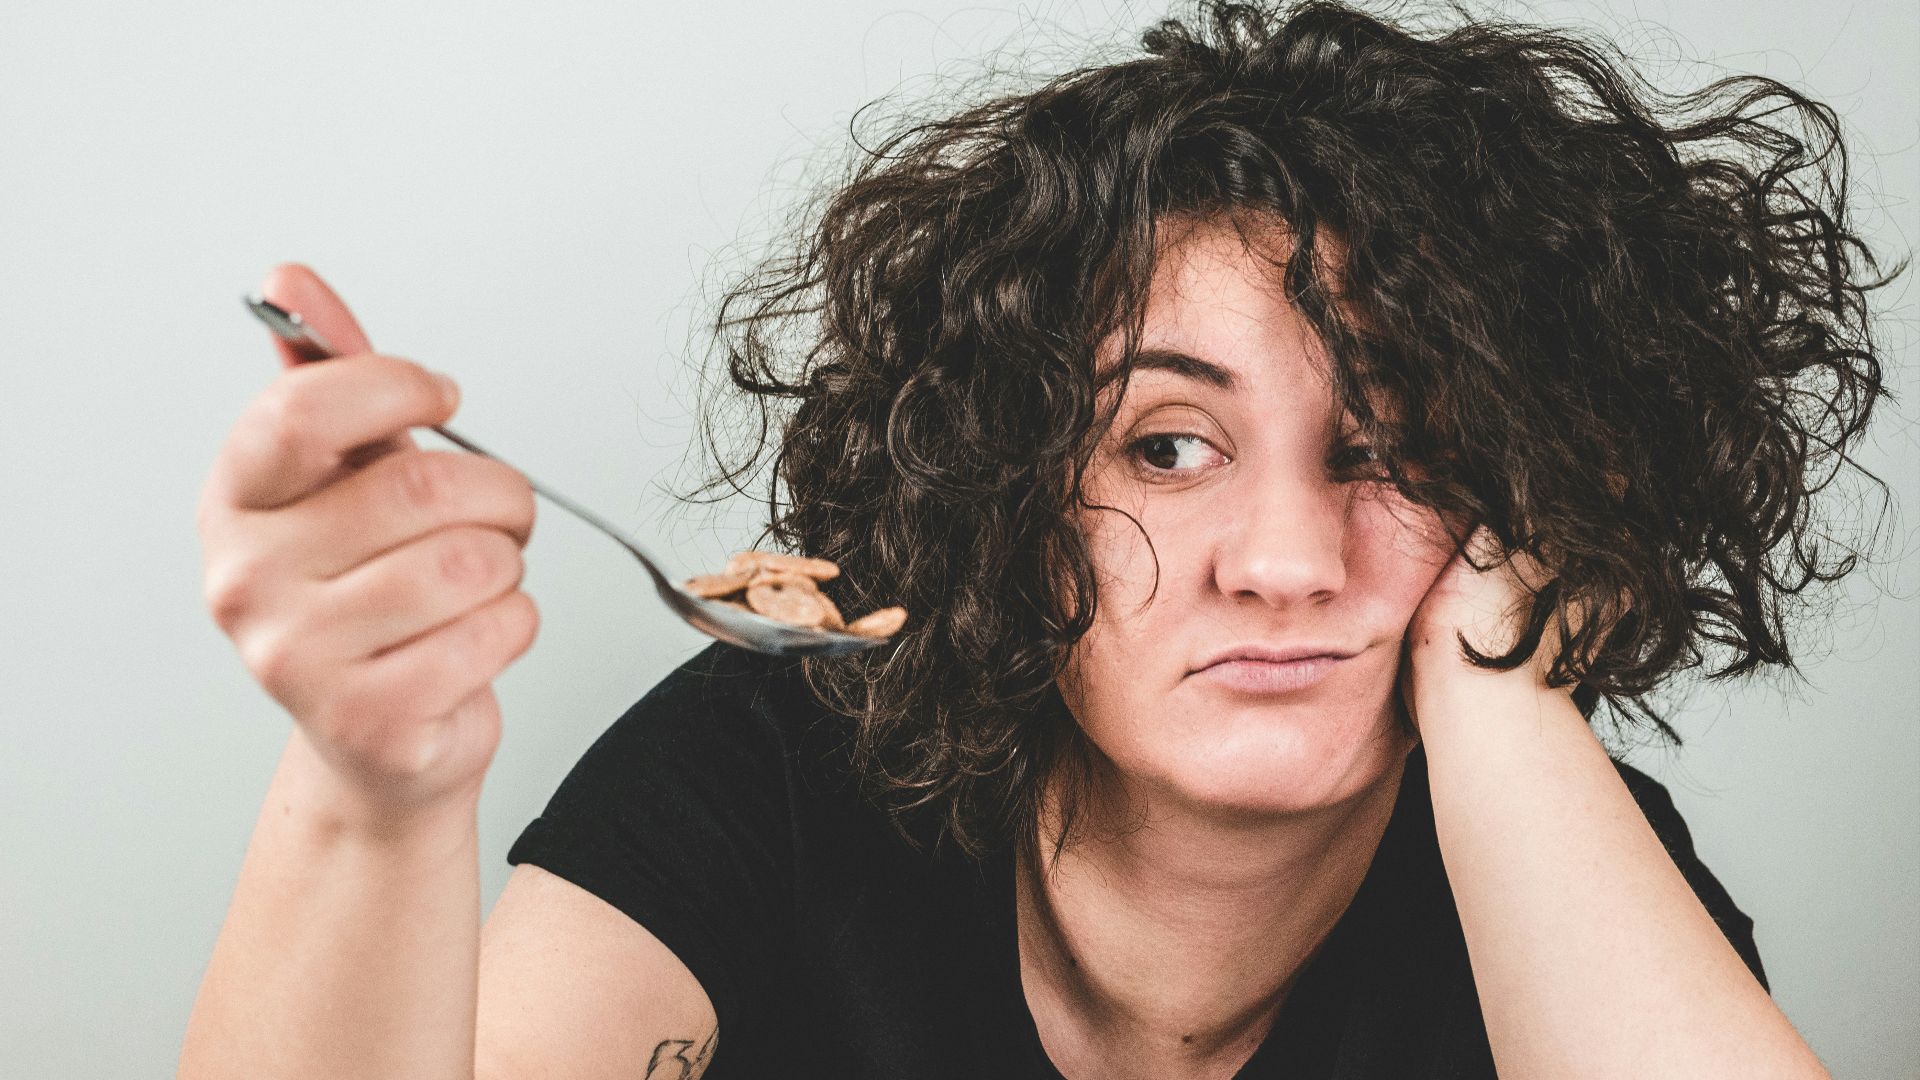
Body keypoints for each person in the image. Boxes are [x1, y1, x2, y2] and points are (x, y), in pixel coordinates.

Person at [179, 1, 1897, 1077]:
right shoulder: (772, 771)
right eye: (1167, 444)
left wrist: (1515, 694)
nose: (1286, 559)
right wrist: (371, 792)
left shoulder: (1553, 852)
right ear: (1004, 484)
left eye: (1390, 451)